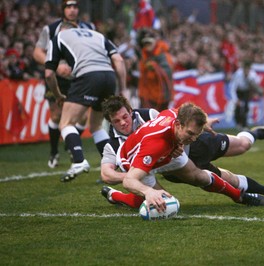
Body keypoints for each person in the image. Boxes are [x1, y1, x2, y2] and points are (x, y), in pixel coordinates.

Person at [99, 96, 264, 211]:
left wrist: (203, 124)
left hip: (173, 147)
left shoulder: (163, 117)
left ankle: (258, 133)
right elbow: (125, 178)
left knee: (237, 149)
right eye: (117, 121)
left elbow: (185, 112)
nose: (123, 122)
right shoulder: (149, 143)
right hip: (155, 160)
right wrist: (148, 190)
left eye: (125, 116)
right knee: (164, 205)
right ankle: (116, 195)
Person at [44, 21, 127, 182]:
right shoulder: (97, 35)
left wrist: (58, 94)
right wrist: (123, 88)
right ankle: (115, 167)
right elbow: (119, 60)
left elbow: (48, 74)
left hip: (87, 77)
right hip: (108, 77)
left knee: (66, 123)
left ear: (62, 29)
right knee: (96, 126)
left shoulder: (58, 37)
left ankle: (78, 161)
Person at [33, 0, 95, 168]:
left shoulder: (89, 28)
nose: (72, 10)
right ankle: (54, 151)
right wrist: (55, 65)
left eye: (75, 7)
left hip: (79, 77)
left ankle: (70, 142)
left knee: (82, 117)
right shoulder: (51, 29)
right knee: (56, 115)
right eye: (69, 6)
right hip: (56, 78)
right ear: (63, 10)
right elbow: (37, 52)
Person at [136, 29, 174, 111]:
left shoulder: (164, 55)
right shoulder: (144, 56)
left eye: (149, 42)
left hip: (160, 97)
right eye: (145, 43)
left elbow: (168, 72)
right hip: (146, 95)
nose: (147, 45)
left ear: (155, 42)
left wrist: (155, 67)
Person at [230, 60, 264, 129]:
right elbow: (233, 88)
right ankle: (238, 123)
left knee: (245, 107)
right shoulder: (238, 74)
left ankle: (244, 125)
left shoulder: (252, 75)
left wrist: (255, 91)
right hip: (238, 91)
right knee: (238, 108)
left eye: (248, 69)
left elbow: (257, 84)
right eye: (245, 69)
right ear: (243, 68)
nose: (247, 71)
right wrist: (236, 99)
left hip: (247, 91)